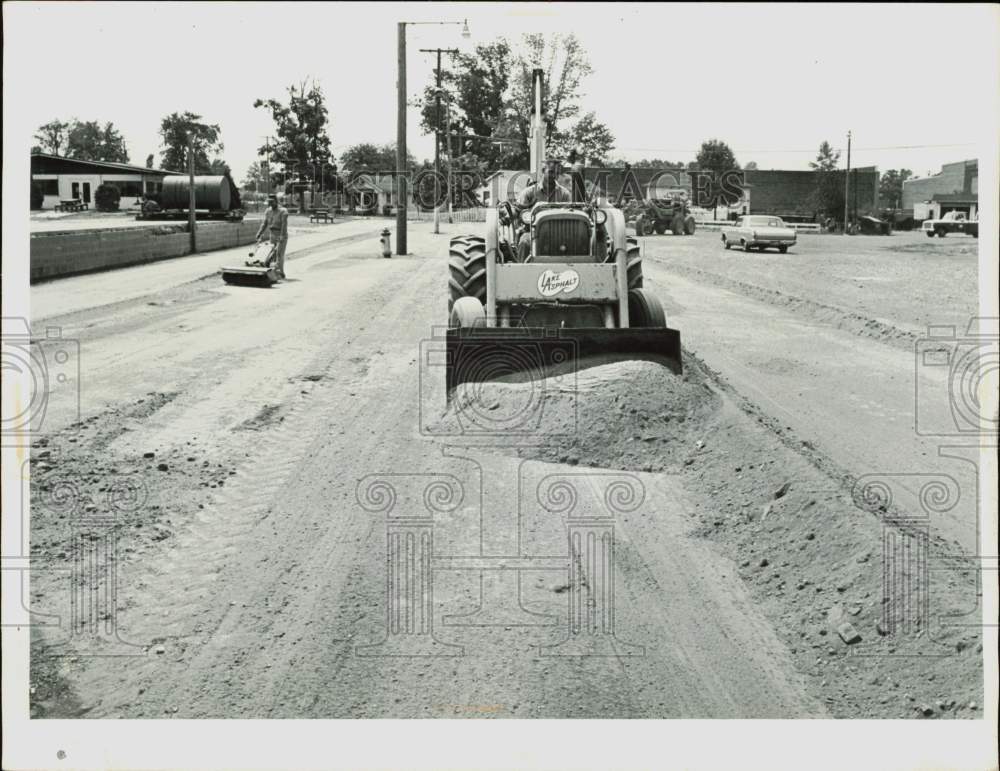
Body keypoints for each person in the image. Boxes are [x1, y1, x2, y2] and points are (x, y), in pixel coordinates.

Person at [513, 157, 572, 261]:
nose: (554, 175)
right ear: (542, 171)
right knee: (524, 242)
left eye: (556, 173)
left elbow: (570, 212)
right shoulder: (529, 192)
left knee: (576, 242)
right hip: (533, 233)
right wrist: (508, 213)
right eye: (551, 172)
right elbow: (517, 210)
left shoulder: (564, 194)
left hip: (559, 233)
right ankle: (521, 272)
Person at [256, 194, 289, 278]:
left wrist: (282, 236)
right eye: (269, 202)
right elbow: (264, 223)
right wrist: (259, 233)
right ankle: (273, 272)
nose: (270, 203)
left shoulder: (283, 211)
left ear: (276, 201)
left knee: (279, 254)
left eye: (272, 202)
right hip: (272, 234)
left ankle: (280, 272)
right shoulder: (268, 211)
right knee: (271, 254)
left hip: (281, 234)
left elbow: (284, 225)